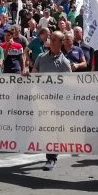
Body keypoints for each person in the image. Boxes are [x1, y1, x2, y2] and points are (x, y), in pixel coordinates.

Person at [32, 31, 72, 171]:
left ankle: (51, 158)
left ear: (61, 43)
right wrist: (29, 73)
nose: (52, 41)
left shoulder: (64, 63)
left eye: (55, 39)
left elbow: (68, 84)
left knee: (51, 129)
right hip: (40, 100)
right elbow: (34, 71)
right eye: (51, 38)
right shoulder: (41, 57)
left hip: (55, 103)